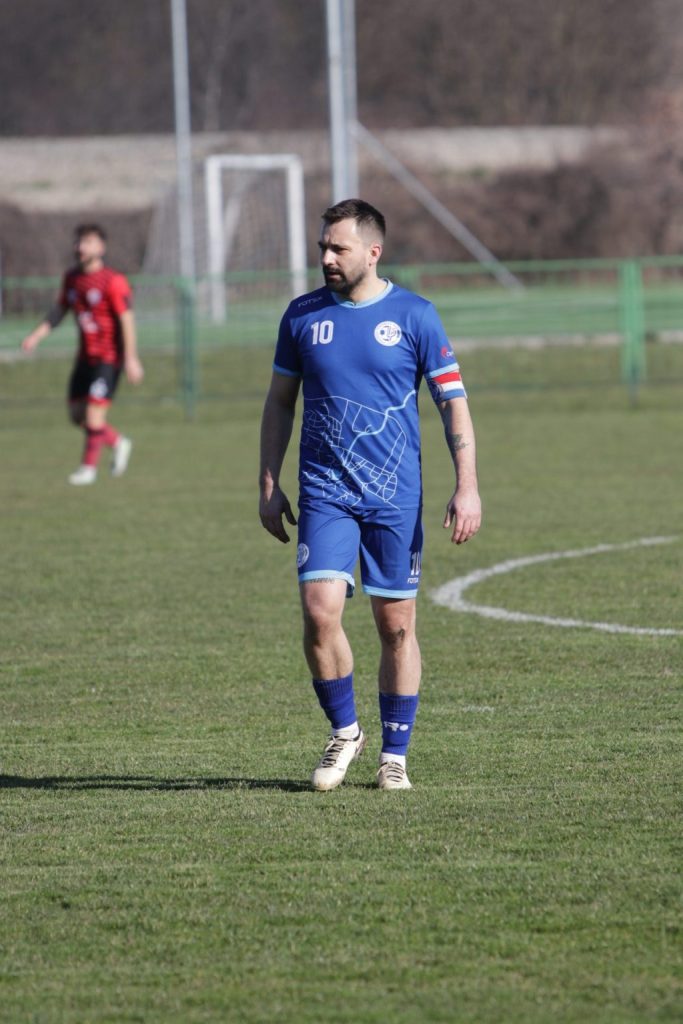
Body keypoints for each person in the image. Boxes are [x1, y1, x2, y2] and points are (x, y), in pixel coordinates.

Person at [259, 198, 481, 791]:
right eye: (323, 248)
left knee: (396, 626)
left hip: (393, 494)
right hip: (325, 491)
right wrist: (268, 482)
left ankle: (394, 756)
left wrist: (467, 486)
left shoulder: (415, 315)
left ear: (373, 252)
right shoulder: (302, 316)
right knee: (318, 613)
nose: (327, 258)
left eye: (339, 248)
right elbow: (279, 402)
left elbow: (452, 403)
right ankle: (345, 732)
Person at [21, 223, 144, 485]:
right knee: (77, 415)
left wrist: (131, 358)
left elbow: (127, 320)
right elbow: (59, 311)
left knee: (93, 415)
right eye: (78, 242)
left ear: (101, 247)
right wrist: (36, 336)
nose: (80, 247)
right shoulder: (72, 279)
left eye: (87, 242)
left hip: (108, 359)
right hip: (85, 358)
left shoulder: (113, 281)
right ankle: (118, 442)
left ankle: (88, 469)